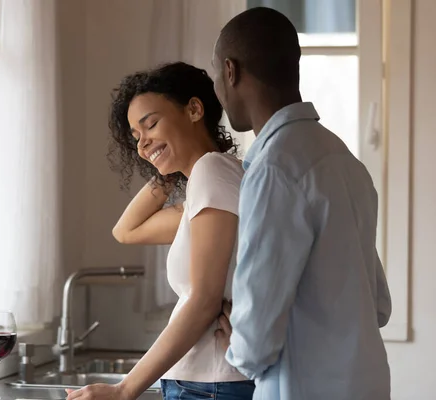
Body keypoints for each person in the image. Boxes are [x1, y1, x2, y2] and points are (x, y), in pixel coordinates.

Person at [211, 7, 393, 400]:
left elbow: (256, 332)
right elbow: (379, 306)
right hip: (367, 384)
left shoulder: (275, 168)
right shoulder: (344, 159)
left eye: (215, 78)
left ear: (230, 71)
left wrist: (237, 347)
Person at [66, 62, 255, 400]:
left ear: (194, 109)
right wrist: (169, 164)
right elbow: (126, 230)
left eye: (151, 124)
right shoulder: (213, 179)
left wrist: (125, 390)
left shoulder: (213, 173)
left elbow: (204, 302)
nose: (141, 144)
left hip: (210, 383)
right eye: (136, 137)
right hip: (205, 381)